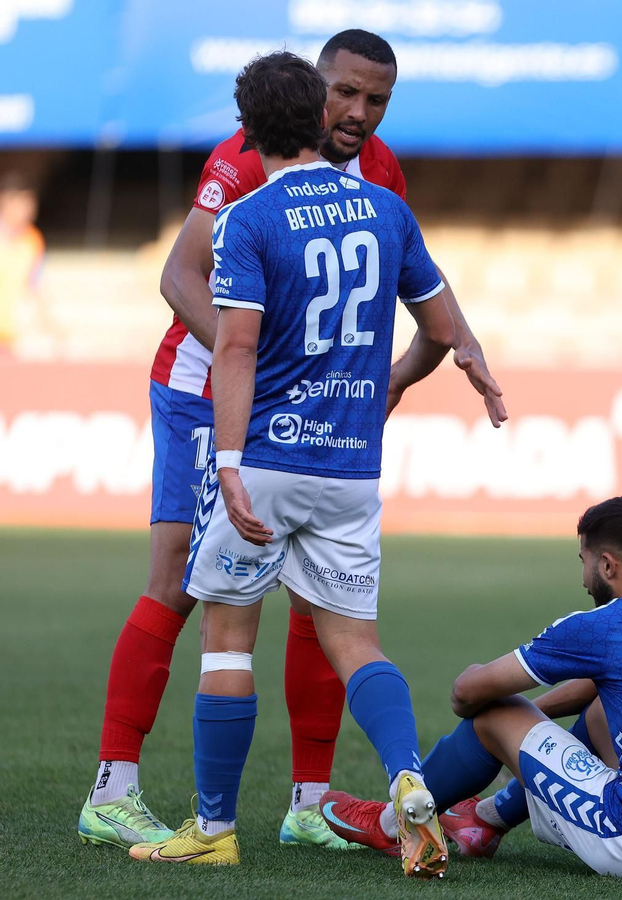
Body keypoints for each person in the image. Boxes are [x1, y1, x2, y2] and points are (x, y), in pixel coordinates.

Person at [79, 28, 506, 853]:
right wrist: (283, 372)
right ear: (315, 90)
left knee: (322, 596)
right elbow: (179, 279)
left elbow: (422, 296)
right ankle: (113, 787)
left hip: (291, 409)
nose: (357, 112)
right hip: (205, 392)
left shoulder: (382, 172)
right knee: (177, 581)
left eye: (375, 100)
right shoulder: (242, 163)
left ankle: (308, 801)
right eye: (344, 93)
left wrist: (387, 381)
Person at [320, 496, 622, 879]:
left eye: (585, 563)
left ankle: (387, 823)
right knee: (600, 708)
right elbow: (609, 685)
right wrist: (533, 722)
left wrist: (511, 724)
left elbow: (467, 693)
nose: (583, 578)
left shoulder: (608, 623)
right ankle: (485, 820)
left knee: (492, 715)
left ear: (608, 564)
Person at [0, 175, 42, 358]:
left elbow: (35, 288)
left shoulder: (33, 240)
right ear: (6, 201)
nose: (29, 208)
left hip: (10, 339)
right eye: (23, 201)